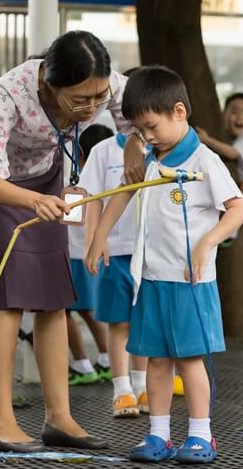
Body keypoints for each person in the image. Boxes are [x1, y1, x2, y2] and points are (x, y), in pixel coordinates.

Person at [0, 30, 143, 453]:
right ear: (49, 83)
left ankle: (60, 418)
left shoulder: (106, 83)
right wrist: (33, 200)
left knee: (53, 297)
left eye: (98, 98)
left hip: (45, 179)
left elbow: (134, 116)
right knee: (9, 299)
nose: (91, 107)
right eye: (79, 100)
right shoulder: (12, 92)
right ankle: (0, 422)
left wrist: (133, 141)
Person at [86, 65, 243, 463]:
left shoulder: (204, 160)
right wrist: (99, 236)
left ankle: (201, 435)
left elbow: (239, 207)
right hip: (152, 279)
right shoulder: (151, 156)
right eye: (139, 131)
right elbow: (125, 192)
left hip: (190, 281)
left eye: (151, 127)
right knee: (158, 360)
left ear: (179, 112)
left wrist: (209, 241)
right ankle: (158, 434)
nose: (146, 136)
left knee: (190, 360)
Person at [79, 125, 150, 417]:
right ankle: (122, 390)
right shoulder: (102, 151)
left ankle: (143, 385)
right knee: (119, 323)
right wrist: (94, 240)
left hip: (149, 254)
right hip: (115, 252)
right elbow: (93, 198)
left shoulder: (161, 150)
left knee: (144, 321)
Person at [65, 125, 113, 386]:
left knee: (62, 311)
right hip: (88, 253)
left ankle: (84, 364)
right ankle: (104, 360)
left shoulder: (79, 181)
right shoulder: (112, 180)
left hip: (74, 254)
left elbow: (70, 221)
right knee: (88, 310)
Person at [196, 92, 243, 211]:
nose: (240, 117)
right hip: (238, 186)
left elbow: (232, 153)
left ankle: (239, 216)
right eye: (234, 112)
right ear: (223, 114)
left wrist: (206, 139)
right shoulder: (225, 136)